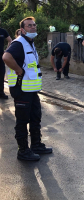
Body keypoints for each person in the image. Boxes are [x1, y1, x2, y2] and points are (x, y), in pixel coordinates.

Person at [3, 17, 52, 161]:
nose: (33, 27)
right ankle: (23, 151)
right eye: (29, 25)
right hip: (21, 90)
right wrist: (18, 70)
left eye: (34, 25)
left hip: (31, 90)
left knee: (35, 117)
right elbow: (6, 57)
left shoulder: (29, 43)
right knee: (22, 121)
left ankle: (36, 145)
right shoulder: (19, 43)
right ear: (23, 29)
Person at [0, 18, 12, 99]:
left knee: (1, 74)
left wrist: (6, 51)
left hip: (0, 56)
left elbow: (10, 41)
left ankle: (1, 93)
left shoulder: (3, 31)